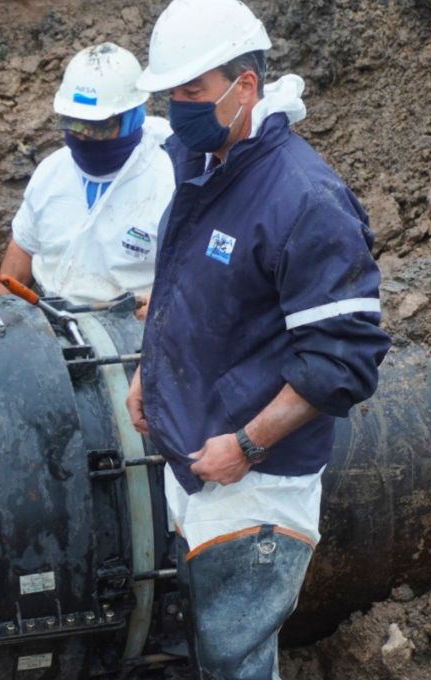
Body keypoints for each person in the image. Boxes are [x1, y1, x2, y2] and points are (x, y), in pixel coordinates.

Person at [125, 0, 392, 677]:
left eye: (193, 92)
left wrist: (246, 447)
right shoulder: (204, 162)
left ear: (244, 87)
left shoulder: (304, 200)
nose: (179, 108)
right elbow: (187, 287)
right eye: (172, 93)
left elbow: (344, 361)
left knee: (236, 659)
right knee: (211, 645)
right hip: (195, 458)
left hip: (256, 487)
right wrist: (147, 373)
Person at [0, 42, 174, 319]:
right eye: (74, 124)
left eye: (95, 127)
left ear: (132, 117)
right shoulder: (51, 172)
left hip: (131, 327)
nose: (82, 137)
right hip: (49, 316)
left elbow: (195, 279)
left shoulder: (169, 183)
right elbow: (23, 248)